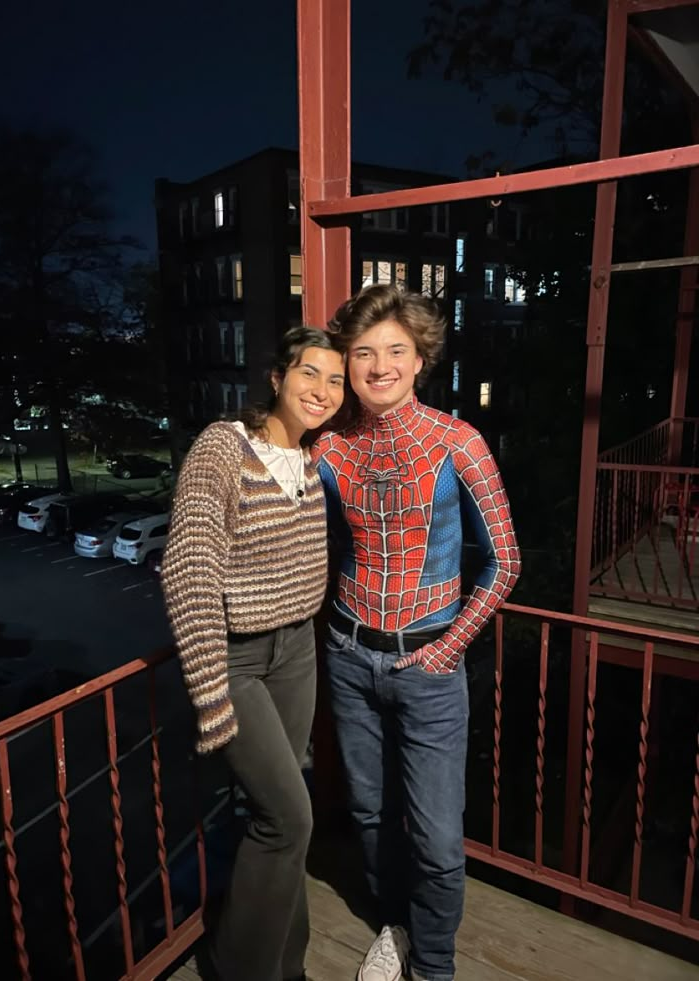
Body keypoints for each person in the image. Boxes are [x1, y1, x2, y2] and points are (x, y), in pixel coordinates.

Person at [313, 285, 521, 981]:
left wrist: (450, 646)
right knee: (370, 813)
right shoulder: (331, 447)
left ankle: (433, 968)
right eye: (364, 352)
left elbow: (505, 561)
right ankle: (393, 928)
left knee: (435, 838)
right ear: (348, 360)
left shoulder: (458, 442)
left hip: (430, 662)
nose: (378, 366)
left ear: (419, 357)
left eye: (394, 350)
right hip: (346, 653)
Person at [161, 326, 345, 981]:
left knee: (283, 810)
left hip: (297, 648)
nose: (322, 390)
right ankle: (241, 969)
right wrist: (210, 691)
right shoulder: (224, 446)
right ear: (277, 377)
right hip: (238, 659)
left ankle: (286, 965)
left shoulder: (315, 459)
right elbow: (188, 569)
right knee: (288, 817)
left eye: (335, 379)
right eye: (309, 373)